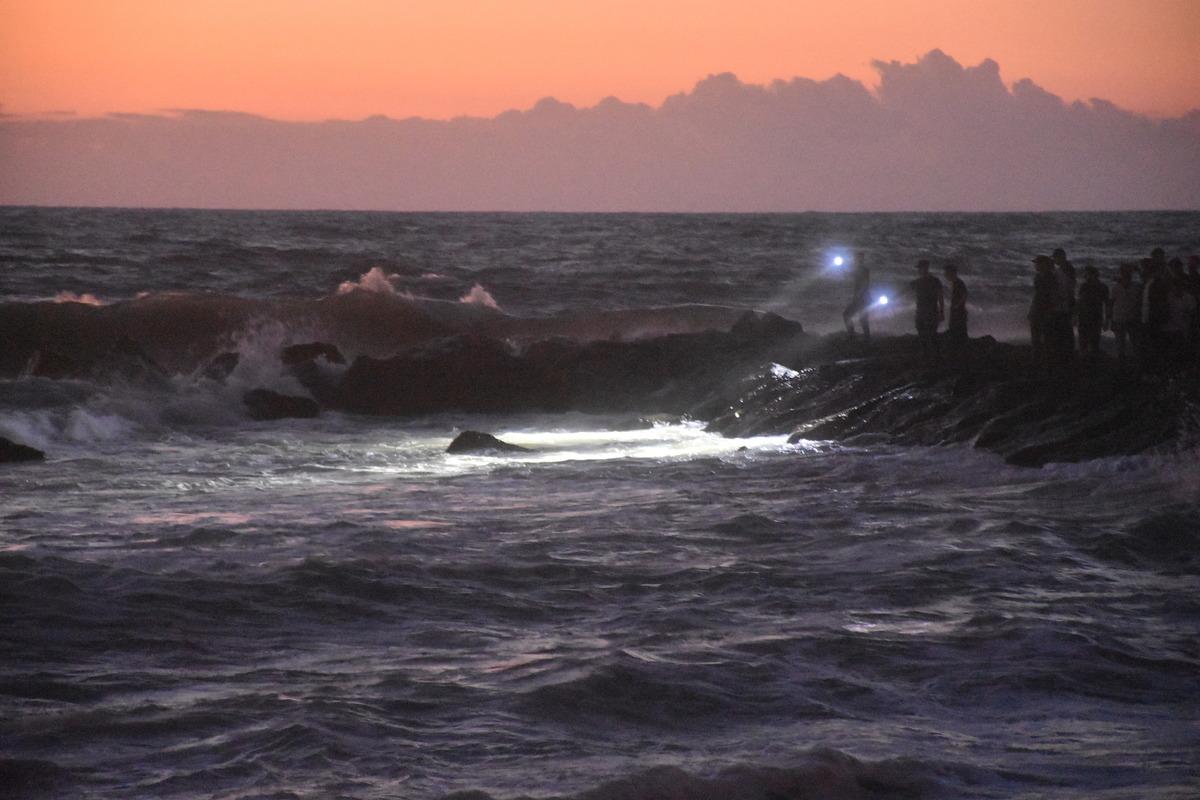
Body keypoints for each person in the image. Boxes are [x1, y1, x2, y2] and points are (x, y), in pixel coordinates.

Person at [909, 259, 944, 363]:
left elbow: (940, 296)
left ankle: (933, 356)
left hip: (929, 311)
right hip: (923, 311)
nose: (919, 270)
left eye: (920, 268)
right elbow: (940, 296)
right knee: (924, 333)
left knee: (930, 334)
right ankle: (929, 355)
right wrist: (941, 311)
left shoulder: (930, 281)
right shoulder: (928, 281)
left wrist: (941, 311)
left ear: (925, 268)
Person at [1029, 255, 1059, 372]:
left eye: (1037, 263)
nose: (1035, 265)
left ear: (1044, 265)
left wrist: (1050, 311)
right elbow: (1037, 296)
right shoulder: (1039, 277)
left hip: (1044, 312)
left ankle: (1045, 365)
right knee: (1036, 339)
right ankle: (1038, 363)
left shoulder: (1050, 278)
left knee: (1046, 340)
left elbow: (1051, 296)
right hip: (1037, 311)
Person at [1108, 262, 1140, 366]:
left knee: (1135, 342)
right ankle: (1122, 364)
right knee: (1120, 344)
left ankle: (1134, 363)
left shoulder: (1136, 287)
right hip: (1119, 318)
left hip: (1132, 318)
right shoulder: (1116, 287)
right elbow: (1111, 303)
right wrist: (1110, 319)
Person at [1076, 265, 1109, 357]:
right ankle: (1085, 361)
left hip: (1095, 317)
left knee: (1094, 342)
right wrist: (1075, 316)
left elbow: (1107, 304)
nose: (1085, 276)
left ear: (1093, 274)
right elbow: (1079, 302)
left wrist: (1107, 320)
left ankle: (1092, 362)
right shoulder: (1084, 286)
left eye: (1087, 274)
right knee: (1083, 342)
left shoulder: (1102, 287)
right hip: (1084, 317)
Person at [1052, 248, 1077, 362]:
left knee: (1065, 328)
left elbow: (1068, 287)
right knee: (1064, 329)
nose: (1054, 260)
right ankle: (1066, 353)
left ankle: (1067, 354)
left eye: (1055, 257)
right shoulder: (1065, 269)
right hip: (1064, 304)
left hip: (1064, 304)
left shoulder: (1066, 269)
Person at [842, 252, 872, 341]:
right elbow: (849, 274)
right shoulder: (861, 270)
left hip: (861, 299)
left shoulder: (863, 270)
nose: (854, 260)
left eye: (856, 259)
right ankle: (864, 337)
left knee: (848, 315)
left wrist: (859, 296)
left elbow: (864, 284)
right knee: (862, 319)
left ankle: (853, 336)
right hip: (862, 298)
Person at [944, 263, 968, 356]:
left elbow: (965, 294)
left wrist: (958, 305)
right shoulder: (956, 283)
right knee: (958, 333)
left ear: (952, 273)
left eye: (946, 273)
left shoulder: (958, 283)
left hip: (959, 313)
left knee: (958, 333)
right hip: (958, 313)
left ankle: (960, 355)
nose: (945, 275)